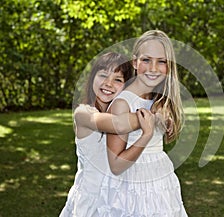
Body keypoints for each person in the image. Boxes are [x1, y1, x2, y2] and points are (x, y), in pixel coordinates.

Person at [99, 30, 188, 216]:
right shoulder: (123, 104)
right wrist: (146, 134)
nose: (153, 68)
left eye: (161, 61)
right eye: (146, 60)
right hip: (132, 187)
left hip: (160, 181)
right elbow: (116, 166)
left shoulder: (158, 100)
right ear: (135, 62)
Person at [59, 52, 156, 217]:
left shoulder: (125, 110)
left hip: (115, 198)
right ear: (92, 79)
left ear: (126, 87)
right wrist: (152, 115)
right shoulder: (83, 114)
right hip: (91, 200)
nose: (108, 83)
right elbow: (118, 124)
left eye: (118, 79)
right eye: (103, 75)